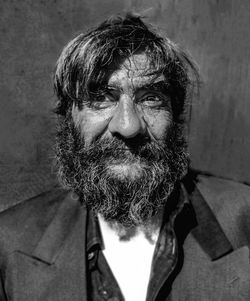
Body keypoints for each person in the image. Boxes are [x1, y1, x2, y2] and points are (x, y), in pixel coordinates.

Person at [0, 13, 249, 301]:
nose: (128, 127)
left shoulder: (245, 222)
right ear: (69, 118)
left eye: (150, 98)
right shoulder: (8, 244)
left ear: (175, 116)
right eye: (101, 98)